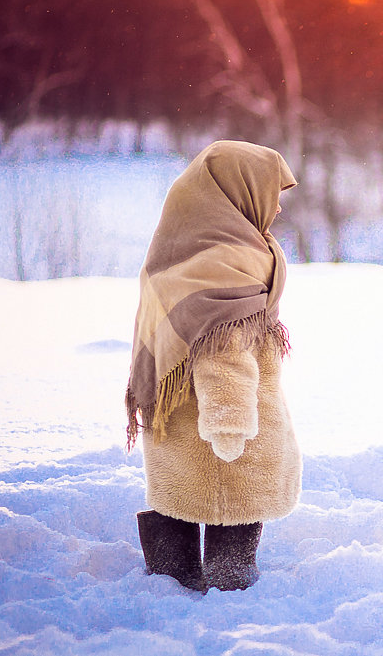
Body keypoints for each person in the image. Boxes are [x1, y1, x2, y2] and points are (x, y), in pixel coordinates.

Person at [125, 140, 302, 592]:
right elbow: (225, 356)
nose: (277, 208)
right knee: (232, 509)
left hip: (175, 426)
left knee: (178, 499)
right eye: (271, 194)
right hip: (225, 438)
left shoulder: (180, 249)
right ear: (236, 191)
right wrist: (229, 424)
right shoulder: (228, 261)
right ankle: (230, 581)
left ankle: (170, 574)